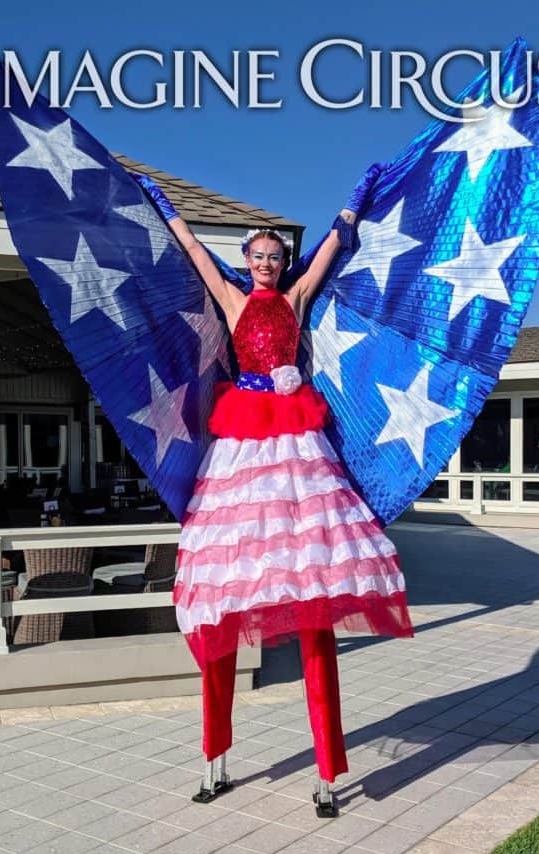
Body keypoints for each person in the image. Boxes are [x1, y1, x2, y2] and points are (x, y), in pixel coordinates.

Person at [149, 183, 413, 812]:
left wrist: (350, 208)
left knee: (315, 606)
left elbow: (326, 252)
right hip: (244, 442)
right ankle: (214, 759)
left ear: (281, 262)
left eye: (274, 256)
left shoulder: (295, 298)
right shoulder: (232, 297)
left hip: (296, 444)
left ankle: (328, 770)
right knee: (224, 602)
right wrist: (167, 211)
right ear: (246, 261)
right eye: (258, 256)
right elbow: (190, 249)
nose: (267, 263)